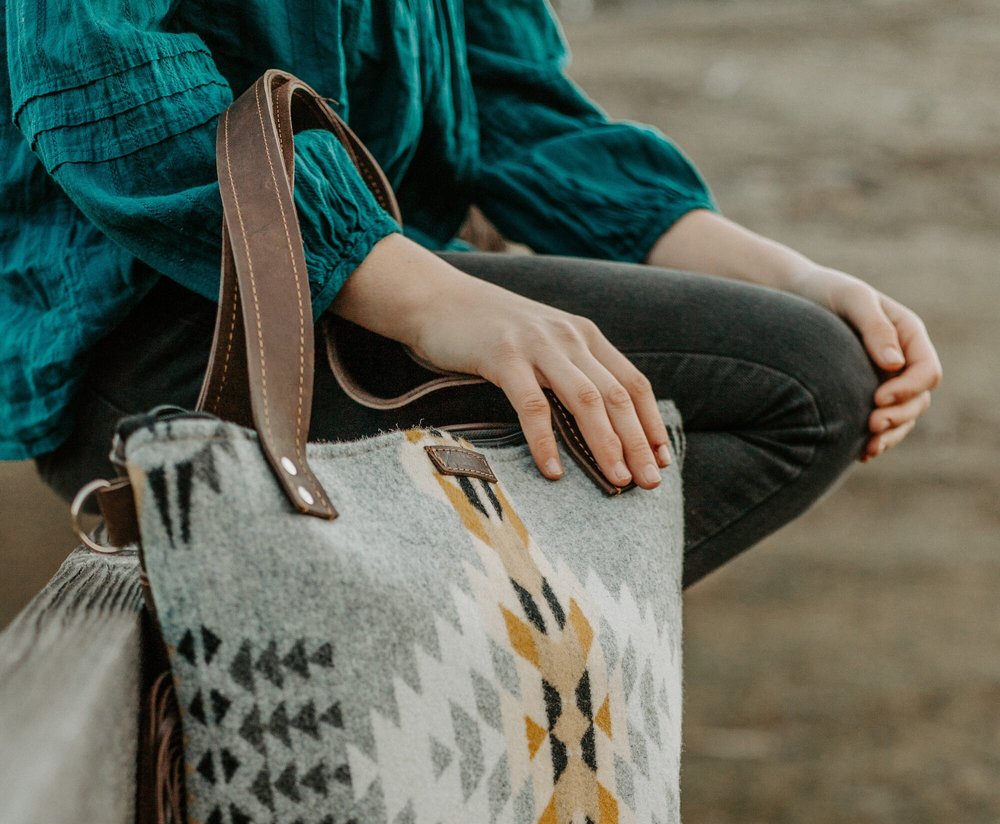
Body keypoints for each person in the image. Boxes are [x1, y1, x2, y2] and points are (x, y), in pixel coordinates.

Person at [1, 0, 940, 587]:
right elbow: (104, 83)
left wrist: (801, 279)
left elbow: (516, 107)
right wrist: (434, 301)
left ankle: (394, 687)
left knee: (824, 363)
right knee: (802, 391)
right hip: (172, 323)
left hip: (379, 286)